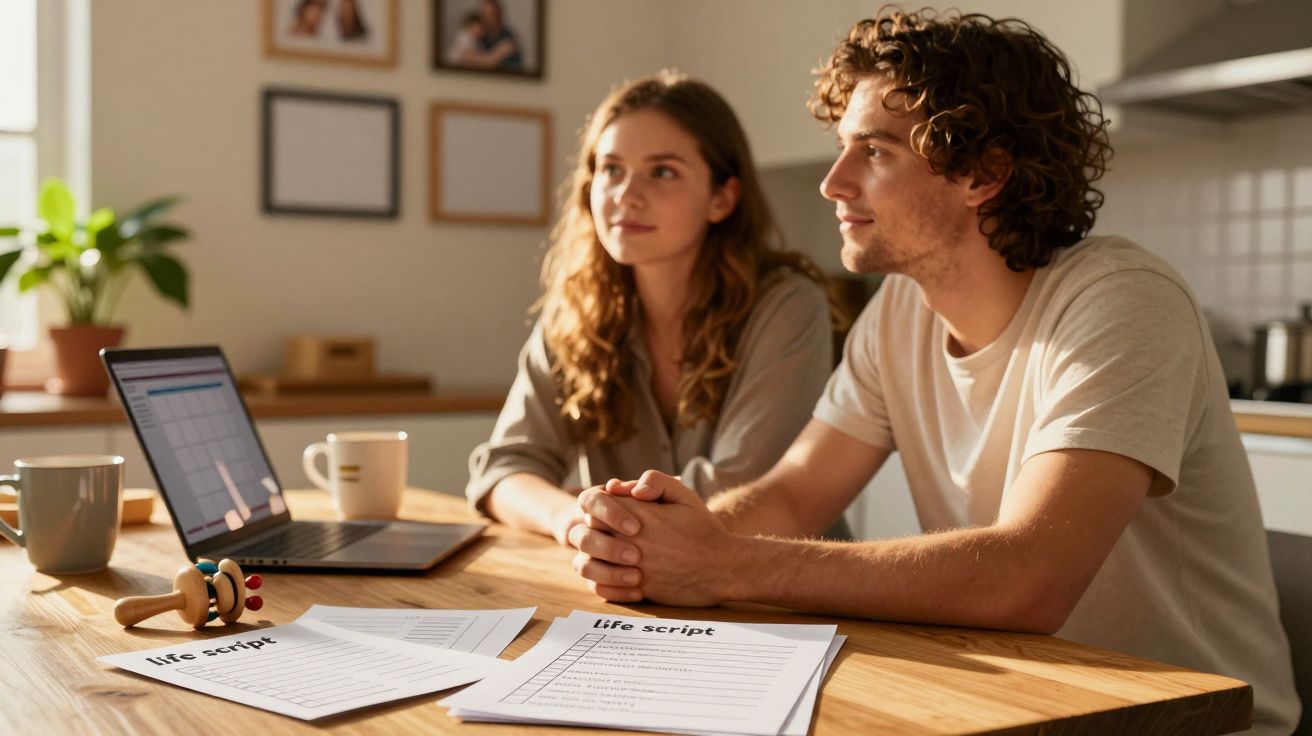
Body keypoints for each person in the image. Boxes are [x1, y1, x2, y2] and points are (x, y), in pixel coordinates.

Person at [569, 10, 1300, 734]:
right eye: (841, 147)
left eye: (875, 151)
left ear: (985, 173)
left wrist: (724, 565)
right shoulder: (900, 311)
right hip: (1024, 705)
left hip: (1192, 725)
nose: (833, 182)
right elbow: (793, 494)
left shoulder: (1123, 300)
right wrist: (651, 541)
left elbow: (1028, 577)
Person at [465, 72, 840, 551]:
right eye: (611, 169)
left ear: (723, 198)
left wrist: (605, 517)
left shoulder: (786, 305)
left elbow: (742, 491)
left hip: (783, 600)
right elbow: (503, 471)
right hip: (632, 589)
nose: (626, 194)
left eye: (661, 171)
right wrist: (574, 519)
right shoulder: (575, 313)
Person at [453, 0, 523, 71]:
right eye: (484, 15)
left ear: (498, 15)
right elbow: (464, 56)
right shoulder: (477, 35)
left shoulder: (507, 36)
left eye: (491, 15)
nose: (487, 19)